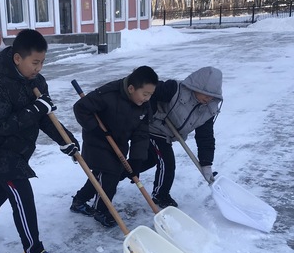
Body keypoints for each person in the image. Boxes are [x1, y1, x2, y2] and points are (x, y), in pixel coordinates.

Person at [0, 29, 79, 253]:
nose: (39, 68)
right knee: (21, 195)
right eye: (35, 62)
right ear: (18, 58)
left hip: (20, 149)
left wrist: (66, 140)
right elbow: (1, 125)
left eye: (42, 62)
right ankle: (32, 249)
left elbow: (46, 118)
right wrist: (36, 109)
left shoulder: (37, 82)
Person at [69, 66, 159, 227]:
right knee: (110, 174)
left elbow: (141, 134)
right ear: (131, 88)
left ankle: (79, 200)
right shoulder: (108, 94)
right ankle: (102, 210)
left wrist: (137, 160)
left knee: (100, 176)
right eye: (145, 94)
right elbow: (81, 108)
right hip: (96, 140)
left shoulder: (144, 105)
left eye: (150, 95)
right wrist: (96, 129)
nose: (147, 98)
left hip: (118, 143)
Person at [139, 66, 223, 208]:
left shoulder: (208, 110)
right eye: (206, 94)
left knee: (145, 161)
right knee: (167, 162)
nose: (208, 99)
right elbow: (150, 92)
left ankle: (114, 174)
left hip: (166, 134)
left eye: (212, 96)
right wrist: (151, 113)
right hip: (152, 128)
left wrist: (206, 163)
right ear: (196, 87)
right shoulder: (175, 89)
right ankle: (160, 195)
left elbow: (205, 137)